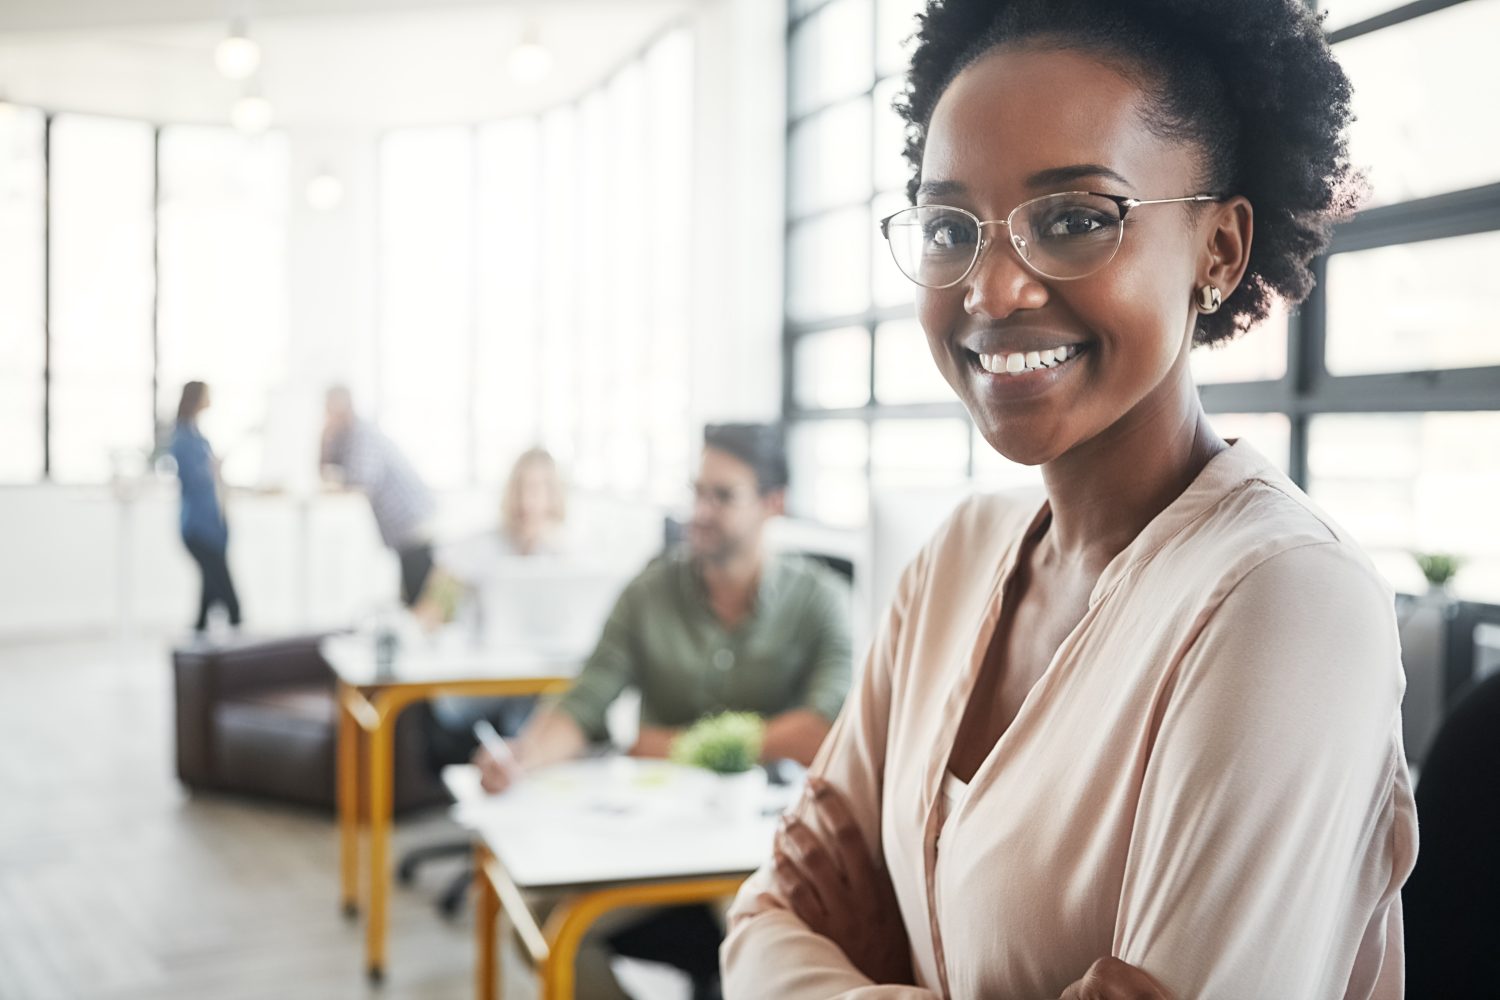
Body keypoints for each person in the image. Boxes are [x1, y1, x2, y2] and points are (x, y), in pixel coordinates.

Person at [723, 2, 1417, 999]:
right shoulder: (955, 557)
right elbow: (764, 923)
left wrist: (838, 971)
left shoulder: (1287, 600)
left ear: (1219, 250)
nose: (993, 290)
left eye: (1078, 219)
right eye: (950, 226)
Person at [474, 423, 854, 1000]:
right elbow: (586, 700)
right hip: (658, 840)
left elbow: (822, 730)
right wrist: (524, 755)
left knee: (768, 947)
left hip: (758, 850)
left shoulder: (820, 598)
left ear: (772, 504)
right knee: (535, 922)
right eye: (695, 491)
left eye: (721, 496)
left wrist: (674, 746)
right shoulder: (649, 593)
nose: (697, 511)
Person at [319, 386, 436, 607]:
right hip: (405, 534)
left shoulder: (363, 435)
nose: (327, 416)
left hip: (416, 527)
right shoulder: (345, 437)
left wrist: (332, 489)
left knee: (420, 601)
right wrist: (325, 438)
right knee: (409, 598)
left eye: (329, 410)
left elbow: (361, 484)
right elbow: (326, 466)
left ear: (343, 407)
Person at [169, 381, 241, 635]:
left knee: (209, 593)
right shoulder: (182, 438)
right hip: (199, 527)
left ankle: (199, 644)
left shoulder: (200, 438)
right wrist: (212, 469)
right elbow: (195, 479)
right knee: (232, 605)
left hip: (213, 523)